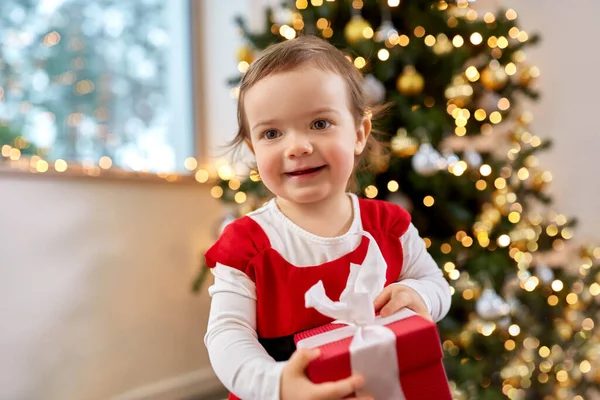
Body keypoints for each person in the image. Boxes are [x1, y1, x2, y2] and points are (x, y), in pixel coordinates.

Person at [204, 35, 452, 400]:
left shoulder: (389, 226)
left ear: (358, 133)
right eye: (272, 133)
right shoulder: (247, 246)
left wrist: (419, 294)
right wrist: (275, 383)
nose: (298, 146)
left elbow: (436, 283)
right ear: (254, 149)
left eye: (320, 124)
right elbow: (226, 335)